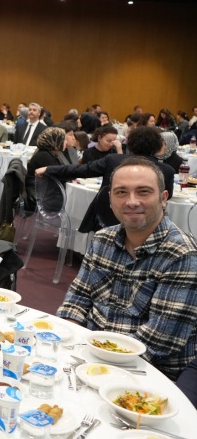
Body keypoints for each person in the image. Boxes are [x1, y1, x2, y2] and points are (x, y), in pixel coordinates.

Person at [57, 157, 197, 380]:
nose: (131, 202)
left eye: (143, 192)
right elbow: (77, 299)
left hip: (149, 373)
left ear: (163, 198)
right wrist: (66, 342)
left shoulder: (181, 254)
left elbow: (159, 341)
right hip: (89, 355)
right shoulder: (102, 240)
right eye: (121, 192)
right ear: (110, 200)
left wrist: (94, 362)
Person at [35, 126, 175, 233]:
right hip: (144, 221)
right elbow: (166, 199)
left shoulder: (113, 160)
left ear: (131, 144)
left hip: (106, 216)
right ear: (157, 146)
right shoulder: (166, 170)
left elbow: (82, 169)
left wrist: (48, 169)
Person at [24, 127, 67, 212]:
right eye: (64, 139)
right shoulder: (45, 156)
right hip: (41, 197)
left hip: (44, 193)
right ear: (55, 141)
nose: (66, 142)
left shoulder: (48, 153)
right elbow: (61, 175)